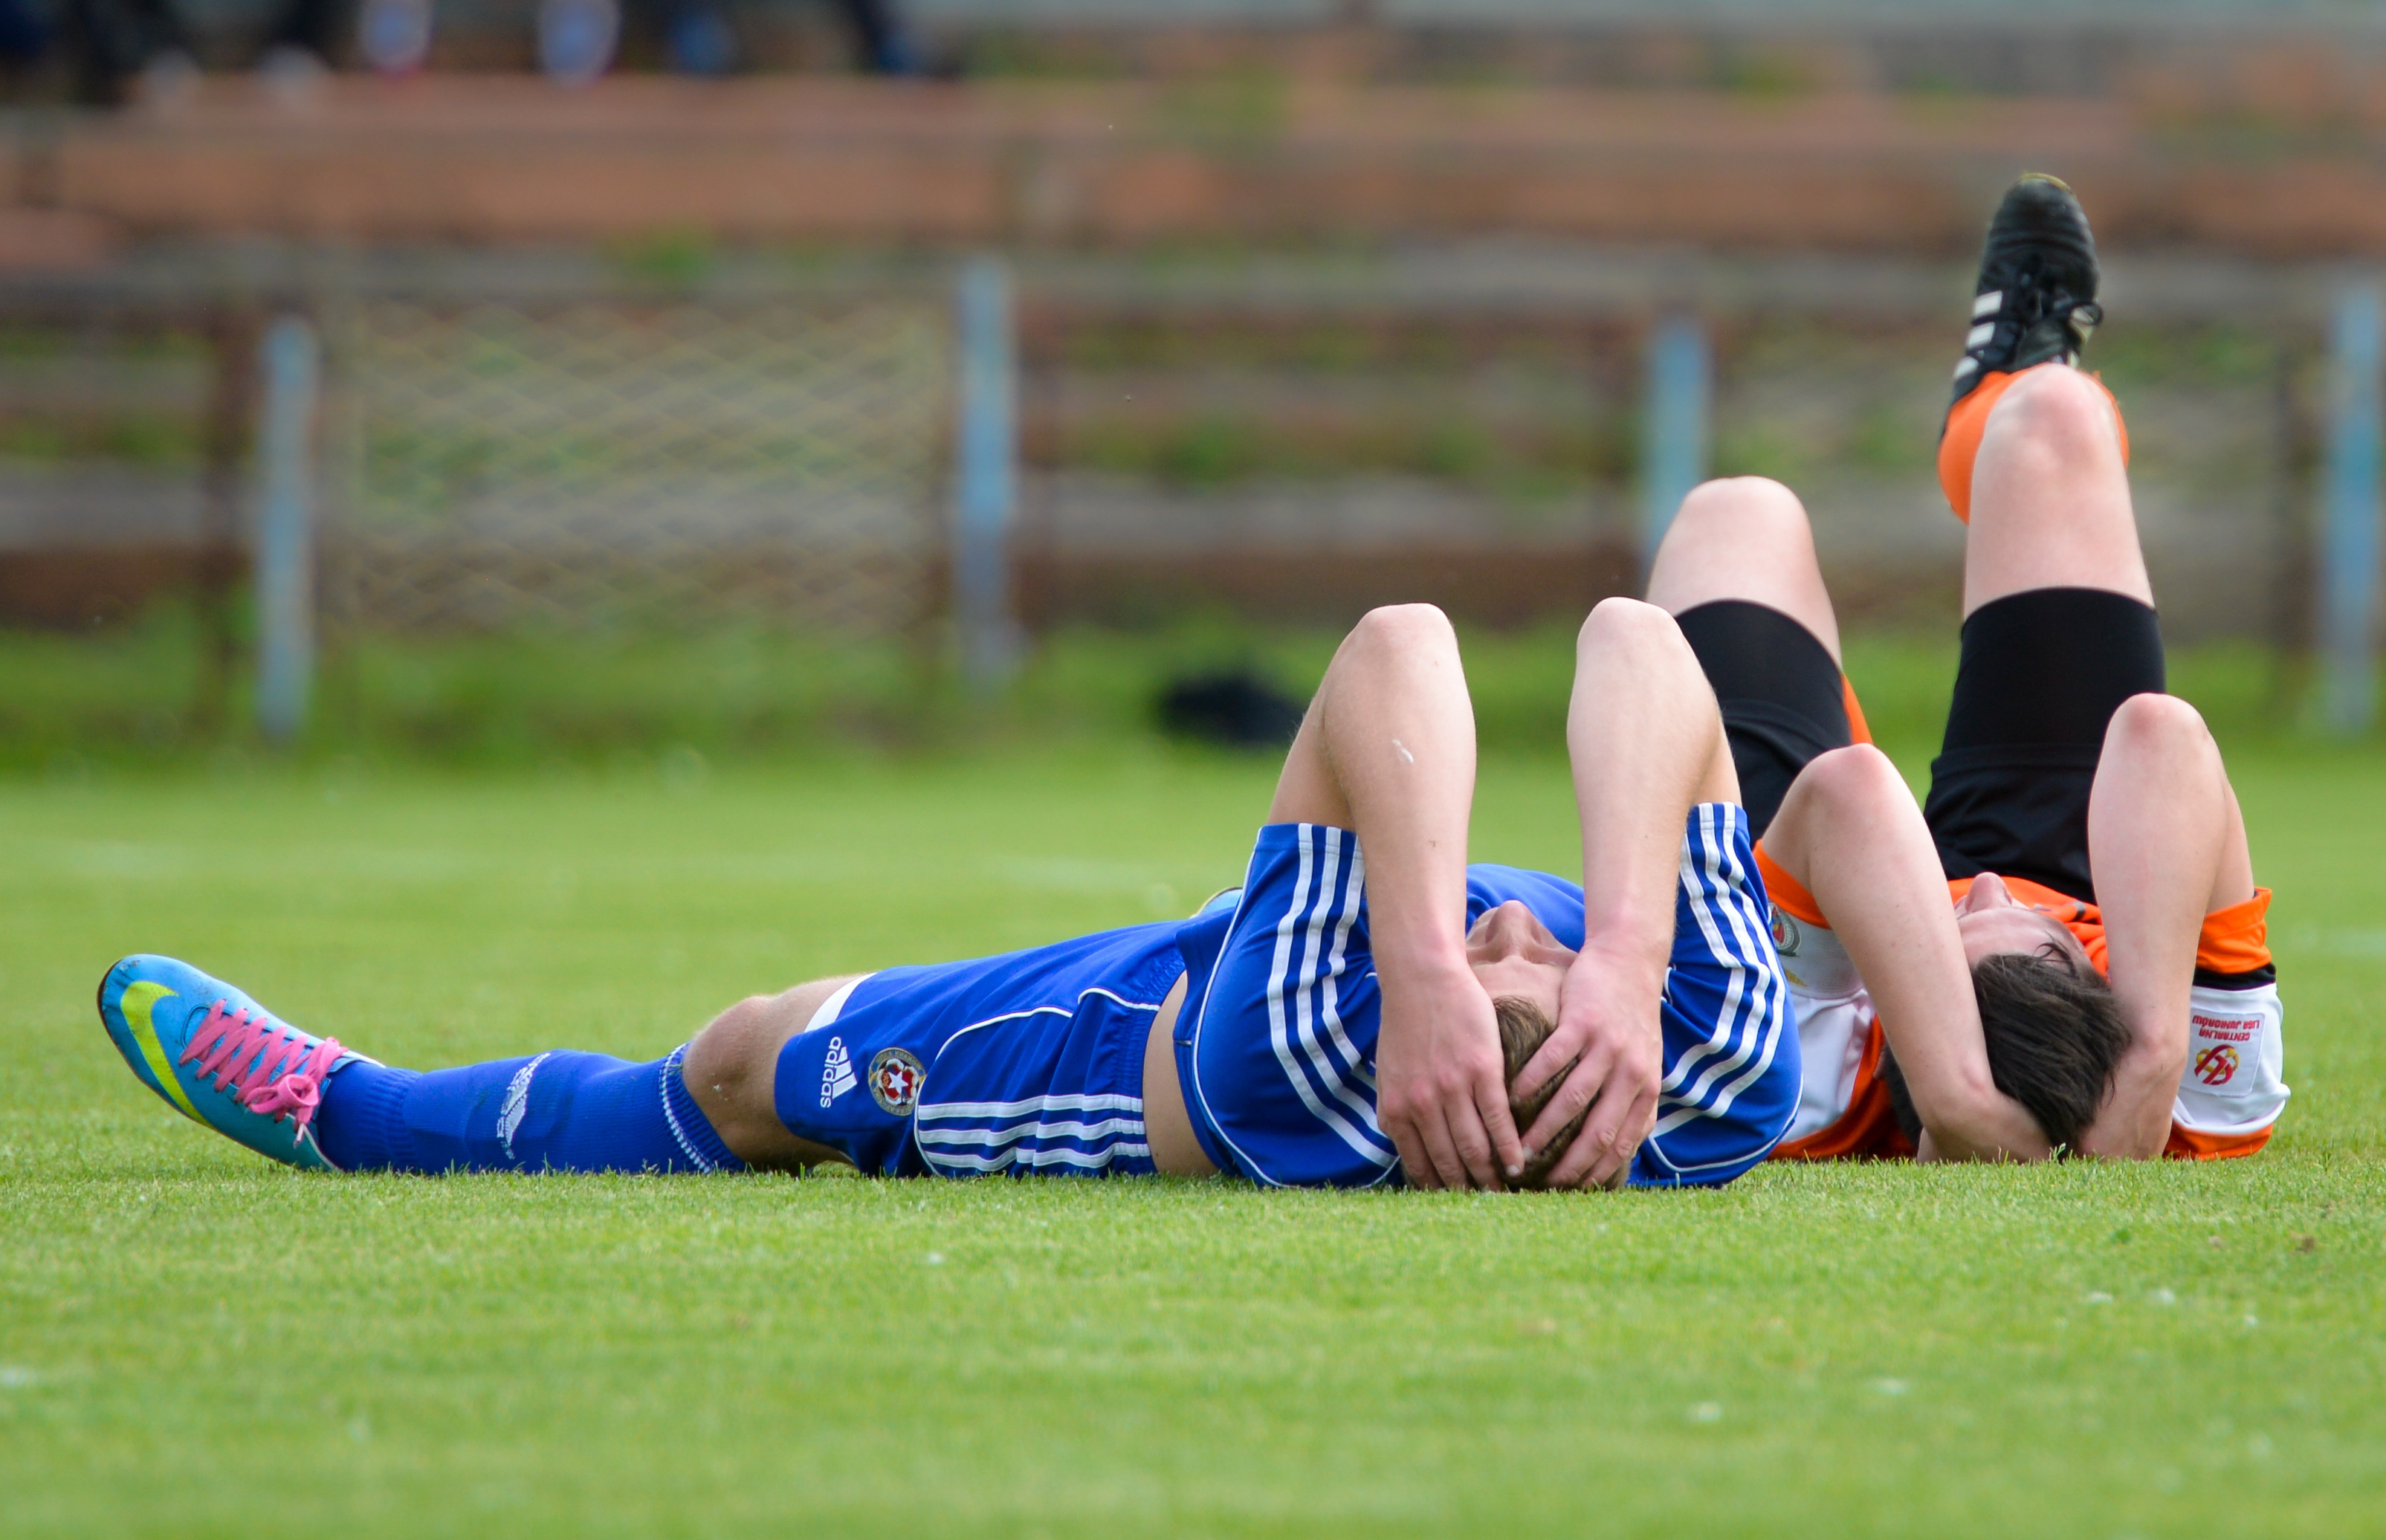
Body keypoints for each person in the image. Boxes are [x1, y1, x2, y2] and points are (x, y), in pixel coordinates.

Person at [97, 600, 1801, 1193]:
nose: (1533, 923)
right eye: (1539, 952)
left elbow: (1400, 649)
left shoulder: (1313, 1047)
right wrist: (1629, 957)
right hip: (1350, 946)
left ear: (1417, 1072)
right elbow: (1641, 646)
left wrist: (1419, 965)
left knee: (751, 1068)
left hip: (1126, 1045)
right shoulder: (1711, 1067)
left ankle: (348, 1108)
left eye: (1513, 956)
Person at [1642, 175, 2285, 1165]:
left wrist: (1952, 1087)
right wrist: (2152, 1050)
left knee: (1735, 515)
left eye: (1953, 942)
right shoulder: (2207, 1101)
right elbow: (2160, 736)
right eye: (2023, 930)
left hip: (1834, 949)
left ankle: (1922, 971)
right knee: (2052, 415)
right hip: (2073, 862)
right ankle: (2002, 380)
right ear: (2089, 970)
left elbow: (1846, 792)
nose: (1976, 887)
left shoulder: (1797, 1088)